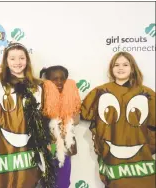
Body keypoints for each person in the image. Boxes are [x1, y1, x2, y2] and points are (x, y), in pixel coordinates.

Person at [0, 42, 55, 188]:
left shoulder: (38, 86)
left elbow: (43, 116)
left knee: (32, 180)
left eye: (21, 58)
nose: (17, 62)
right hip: (4, 148)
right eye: (12, 58)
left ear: (27, 60)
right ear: (6, 62)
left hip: (32, 147)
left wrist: (47, 142)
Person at [81, 52, 155, 188]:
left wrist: (150, 146)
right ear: (111, 68)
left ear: (132, 68)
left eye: (125, 64)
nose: (121, 68)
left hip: (141, 154)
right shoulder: (100, 91)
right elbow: (84, 114)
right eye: (117, 65)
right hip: (112, 153)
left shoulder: (147, 93)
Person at [40, 65, 81, 188]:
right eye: (54, 79)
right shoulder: (41, 98)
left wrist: (67, 115)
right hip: (46, 147)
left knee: (63, 182)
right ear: (47, 81)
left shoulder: (71, 98)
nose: (59, 82)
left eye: (62, 79)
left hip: (65, 147)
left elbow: (76, 120)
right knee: (46, 181)